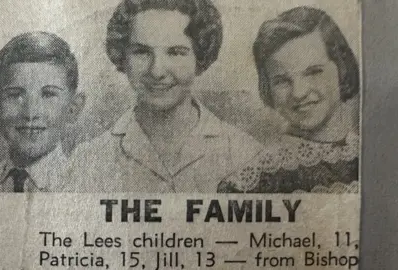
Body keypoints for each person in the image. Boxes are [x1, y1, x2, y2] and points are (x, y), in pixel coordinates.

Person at [69, 0, 263, 192]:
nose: (157, 71)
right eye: (142, 52)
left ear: (200, 58)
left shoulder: (246, 154)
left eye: (176, 53)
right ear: (122, 56)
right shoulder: (87, 159)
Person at [219, 6, 360, 193]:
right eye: (282, 81)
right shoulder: (248, 183)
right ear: (267, 87)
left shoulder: (373, 154)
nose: (299, 93)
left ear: (341, 68)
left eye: (313, 72)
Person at [0, 32, 85, 192]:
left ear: (73, 108)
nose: (30, 113)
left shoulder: (86, 186)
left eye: (48, 94)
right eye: (15, 95)